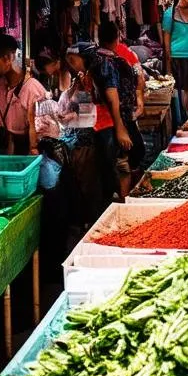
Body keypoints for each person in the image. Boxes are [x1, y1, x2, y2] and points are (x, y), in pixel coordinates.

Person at [62, 41, 132, 227]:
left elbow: (113, 99)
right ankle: (103, 213)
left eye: (72, 59)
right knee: (100, 169)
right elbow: (86, 101)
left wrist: (120, 129)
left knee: (114, 167)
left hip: (109, 124)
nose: (70, 63)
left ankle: (121, 209)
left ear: (84, 57)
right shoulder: (86, 72)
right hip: (95, 125)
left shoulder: (104, 68)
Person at [99, 21, 146, 198]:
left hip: (103, 122)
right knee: (127, 158)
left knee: (114, 162)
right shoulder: (122, 57)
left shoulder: (94, 58)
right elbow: (139, 80)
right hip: (121, 119)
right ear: (118, 36)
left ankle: (119, 197)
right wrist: (139, 99)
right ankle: (124, 198)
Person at [0, 33, 47, 154]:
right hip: (10, 153)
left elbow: (42, 132)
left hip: (33, 154)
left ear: (8, 59)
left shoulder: (33, 89)